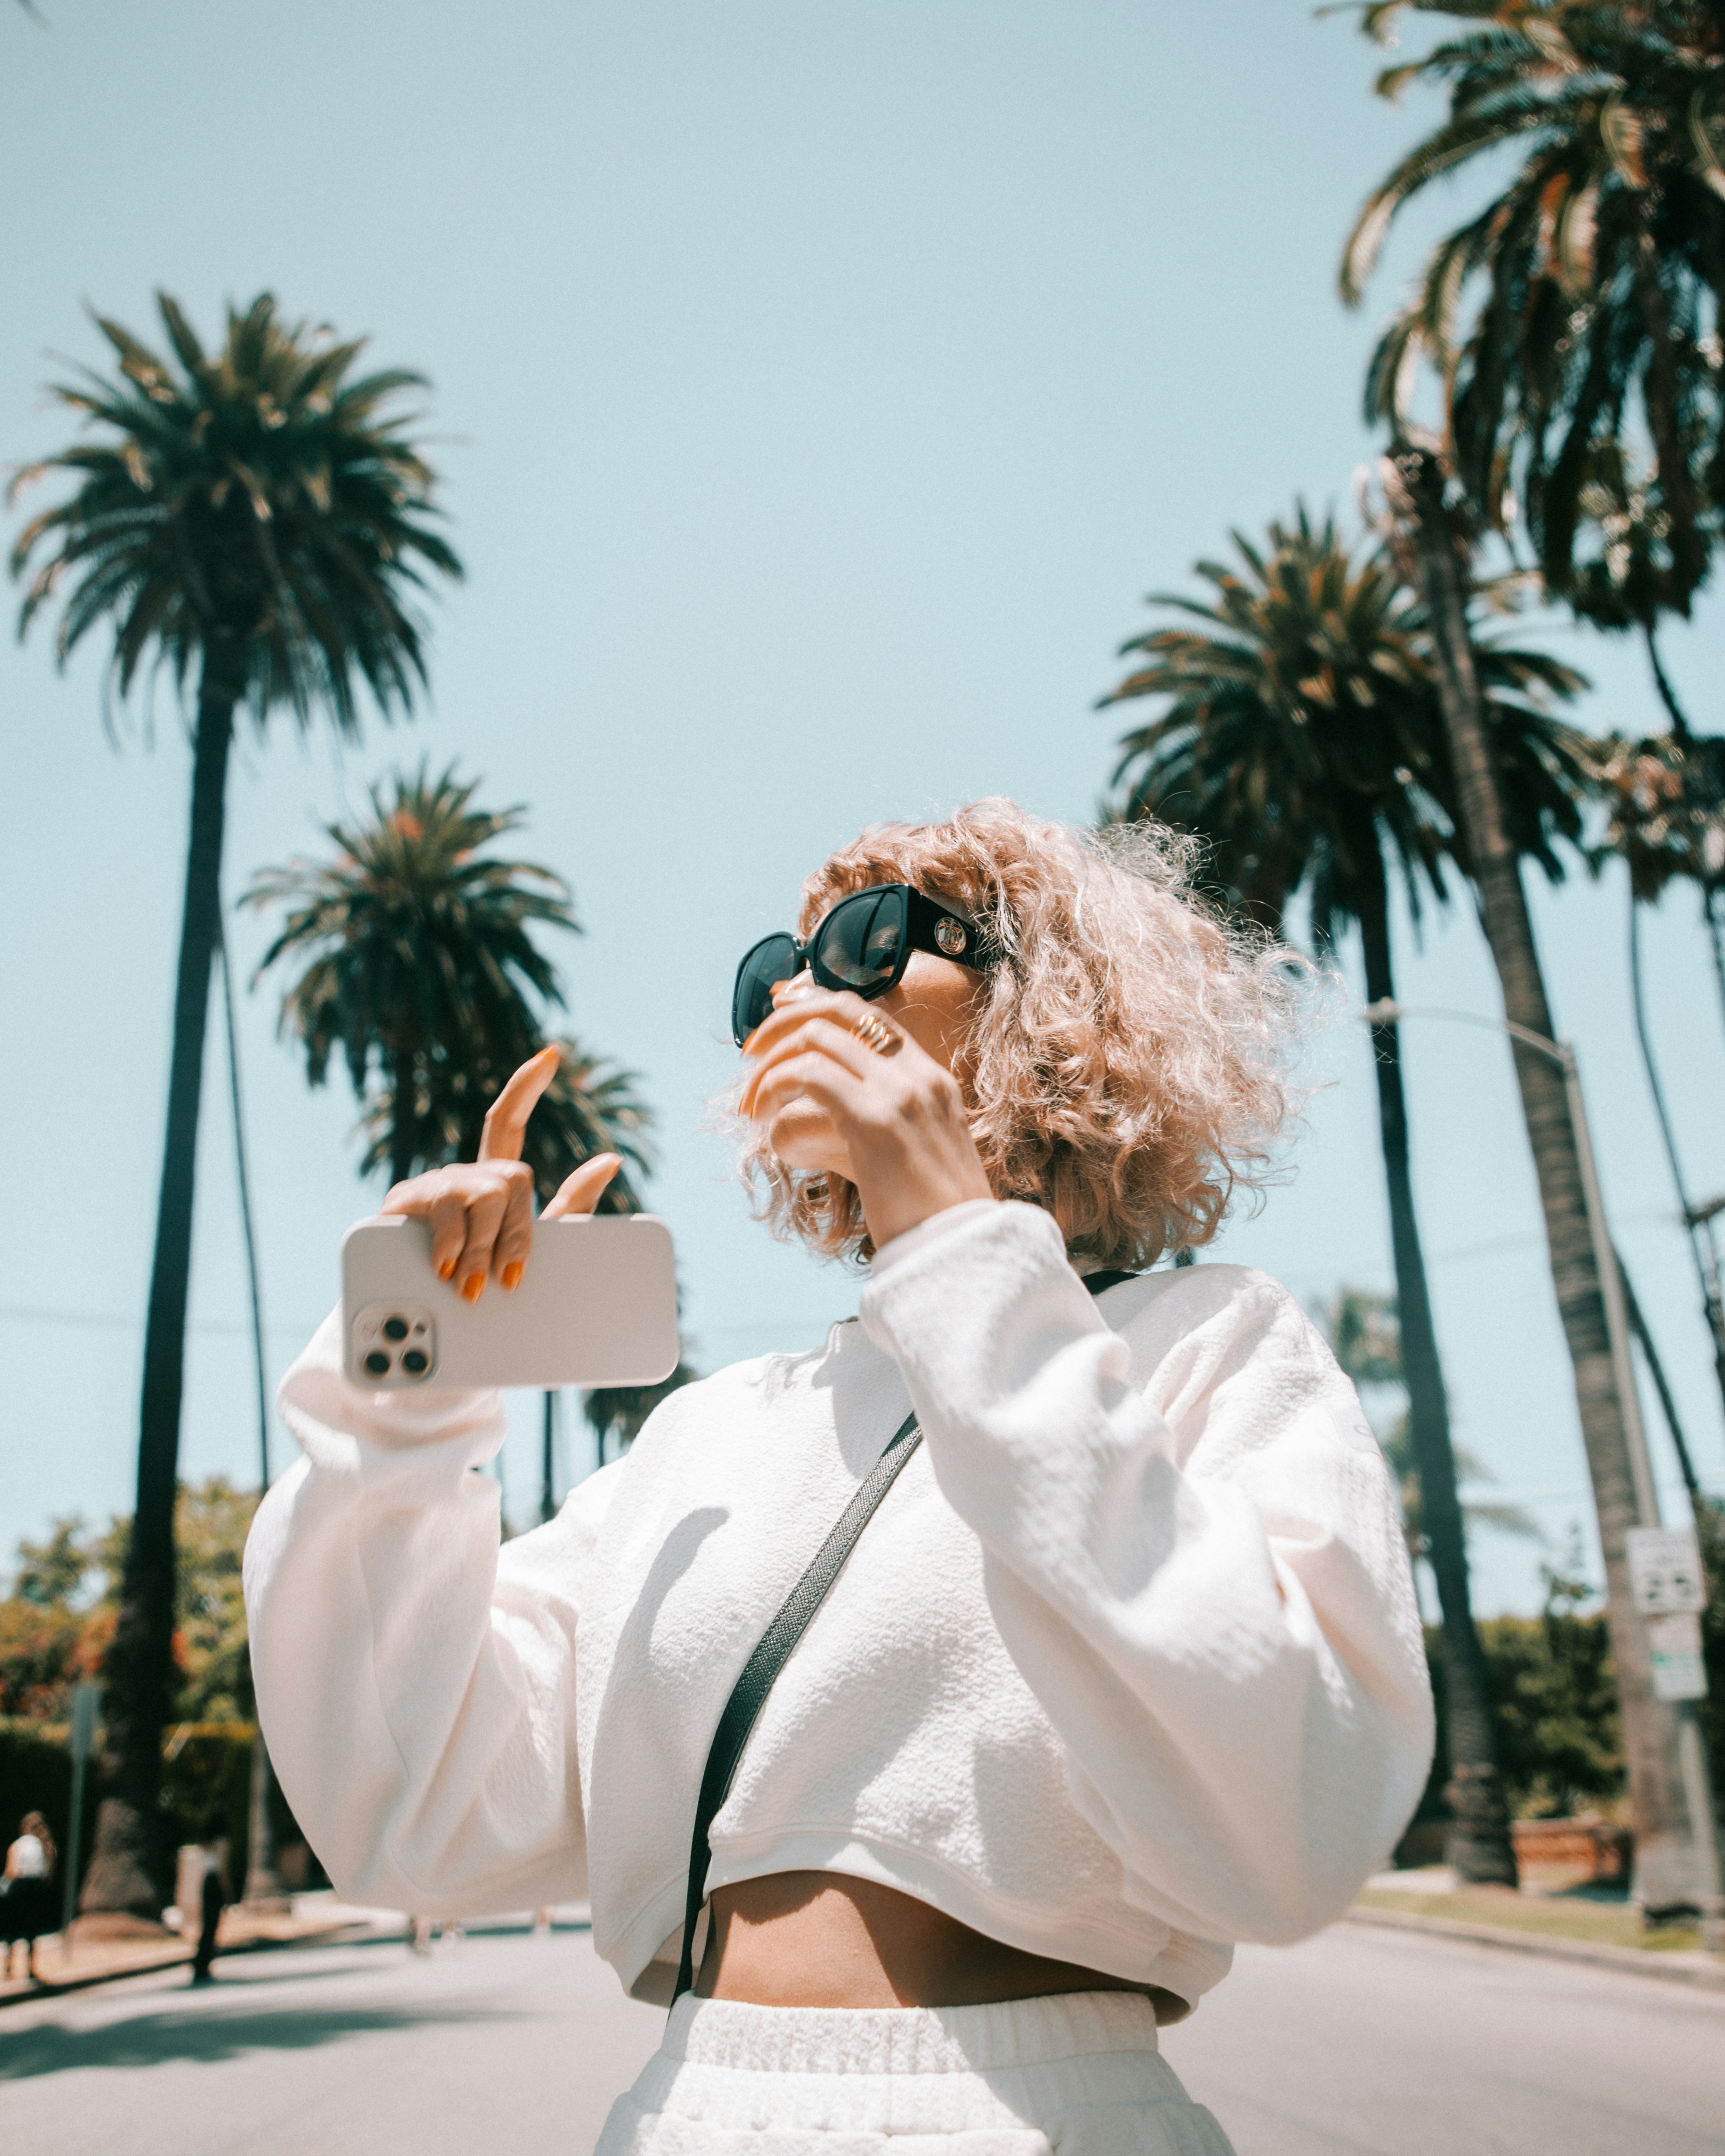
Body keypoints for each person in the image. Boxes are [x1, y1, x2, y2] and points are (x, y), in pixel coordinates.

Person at [246, 801, 1434, 2155]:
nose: (804, 992)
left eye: (870, 944)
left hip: (1046, 2112)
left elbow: (1296, 1822)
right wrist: (411, 1394)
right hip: (690, 2110)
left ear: (1045, 1001)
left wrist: (964, 1253)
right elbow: (416, 1817)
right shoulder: (717, 1429)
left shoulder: (1206, 1345)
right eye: (778, 971)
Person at [3, 1812, 58, 1983]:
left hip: (19, 1887)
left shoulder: (17, 1845)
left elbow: (11, 1871)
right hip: (36, 1889)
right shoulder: (46, 1847)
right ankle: (31, 1969)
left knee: (13, 1928)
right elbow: (48, 1874)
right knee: (31, 1931)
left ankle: (9, 1967)